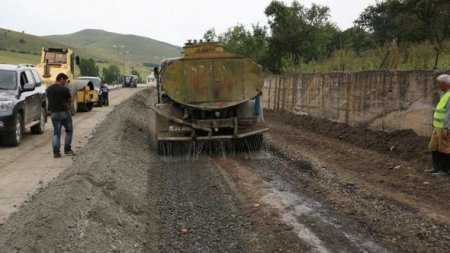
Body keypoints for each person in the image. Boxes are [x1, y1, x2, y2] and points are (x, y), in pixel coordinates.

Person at [46, 73, 74, 158]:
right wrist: (68, 107)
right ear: (61, 79)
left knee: (56, 133)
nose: (65, 82)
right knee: (69, 130)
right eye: (65, 80)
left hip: (54, 113)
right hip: (64, 112)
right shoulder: (64, 89)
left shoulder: (48, 89)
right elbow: (69, 100)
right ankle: (67, 149)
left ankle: (56, 152)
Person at [427, 74, 450, 176]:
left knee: (445, 148)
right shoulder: (445, 94)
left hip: (444, 128)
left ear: (444, 84)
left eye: (439, 83)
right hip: (438, 127)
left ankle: (445, 170)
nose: (438, 85)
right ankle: (436, 168)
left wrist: (447, 128)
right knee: (433, 146)